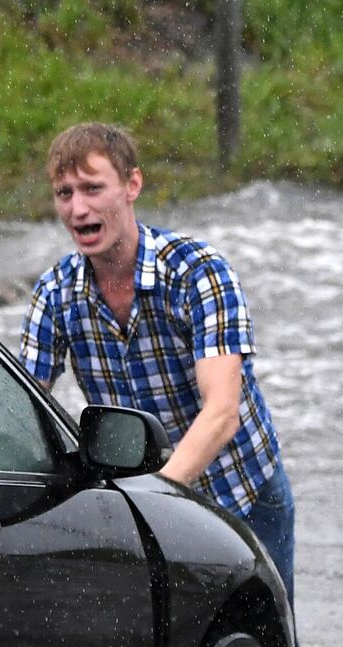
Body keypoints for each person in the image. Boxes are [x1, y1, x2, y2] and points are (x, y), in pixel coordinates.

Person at [19, 122, 295, 609]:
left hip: (243, 492)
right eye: (64, 193)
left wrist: (151, 499)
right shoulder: (56, 294)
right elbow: (24, 408)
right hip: (146, 505)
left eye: (92, 188)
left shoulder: (198, 272)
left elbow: (222, 413)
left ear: (132, 186)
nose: (77, 208)